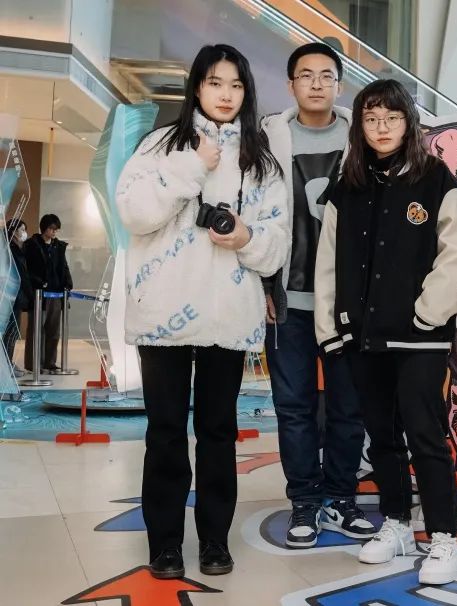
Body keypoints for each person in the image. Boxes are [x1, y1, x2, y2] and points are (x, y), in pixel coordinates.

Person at [116, 44, 289, 580]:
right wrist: (193, 165)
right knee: (165, 432)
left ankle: (215, 540)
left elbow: (277, 246)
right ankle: (165, 544)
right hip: (162, 317)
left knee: (218, 433)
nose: (226, 94)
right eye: (215, 83)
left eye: (236, 85)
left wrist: (245, 238)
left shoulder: (260, 161)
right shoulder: (159, 146)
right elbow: (134, 213)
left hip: (227, 319)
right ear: (196, 87)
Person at [313, 79, 457, 585]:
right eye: (371, 119)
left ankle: (445, 537)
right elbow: (328, 260)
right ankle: (397, 523)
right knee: (381, 437)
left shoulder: (435, 179)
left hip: (420, 337)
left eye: (392, 117)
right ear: (360, 126)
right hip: (364, 337)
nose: (381, 128)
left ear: (409, 122)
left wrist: (429, 313)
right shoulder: (348, 185)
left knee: (425, 435)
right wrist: (330, 326)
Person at [261, 42, 369, 548]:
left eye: (327, 75)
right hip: (286, 300)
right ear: (291, 85)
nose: (317, 84)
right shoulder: (268, 139)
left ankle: (342, 497)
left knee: (350, 407)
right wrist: (265, 284)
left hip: (347, 302)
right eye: (306, 75)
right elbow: (257, 216)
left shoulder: (363, 137)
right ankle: (304, 500)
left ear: (339, 84)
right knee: (293, 407)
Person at [22, 213, 72, 373]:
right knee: (36, 330)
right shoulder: (31, 245)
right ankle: (34, 364)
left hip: (56, 294)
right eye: (52, 228)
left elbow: (64, 267)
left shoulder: (59, 246)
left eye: (56, 229)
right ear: (44, 228)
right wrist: (38, 283)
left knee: (53, 331)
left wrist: (68, 284)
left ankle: (50, 363)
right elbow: (26, 269)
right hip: (39, 294)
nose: (54, 232)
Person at [4, 219, 31, 376]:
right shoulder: (8, 249)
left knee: (13, 332)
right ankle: (6, 364)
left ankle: (8, 362)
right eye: (21, 229)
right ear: (13, 232)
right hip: (11, 296)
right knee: (11, 331)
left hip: (18, 296)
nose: (24, 233)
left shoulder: (21, 249)